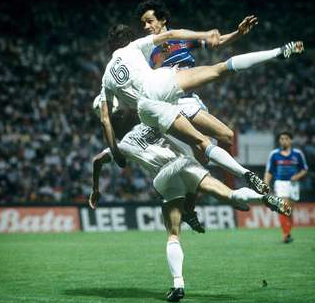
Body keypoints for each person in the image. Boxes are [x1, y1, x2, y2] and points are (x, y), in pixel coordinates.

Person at [90, 119, 291, 302]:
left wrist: (96, 189)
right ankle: (262, 197)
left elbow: (97, 160)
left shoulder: (121, 145)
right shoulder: (150, 122)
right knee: (230, 195)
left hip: (164, 176)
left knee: (173, 234)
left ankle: (178, 284)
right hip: (186, 163)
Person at [99, 24, 304, 198]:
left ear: (111, 46)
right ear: (128, 39)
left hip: (147, 109)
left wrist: (116, 153)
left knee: (200, 144)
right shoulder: (133, 47)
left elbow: (105, 120)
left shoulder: (106, 76)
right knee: (219, 69)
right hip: (159, 84)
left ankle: (239, 177)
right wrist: (204, 34)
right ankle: (277, 52)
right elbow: (171, 34)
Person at [136, 0, 257, 150]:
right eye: (143, 23)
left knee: (204, 153)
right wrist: (160, 61)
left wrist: (238, 33)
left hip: (191, 99)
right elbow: (149, 83)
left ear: (163, 20)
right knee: (227, 137)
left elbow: (216, 42)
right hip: (174, 103)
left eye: (149, 21)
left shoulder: (181, 39)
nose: (146, 26)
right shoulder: (146, 49)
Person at [264, 131, 308, 243]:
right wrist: (265, 185)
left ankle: (288, 233)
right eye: (281, 138)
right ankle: (285, 234)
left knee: (290, 211)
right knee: (283, 208)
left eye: (286, 138)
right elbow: (269, 171)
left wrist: (297, 176)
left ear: (290, 140)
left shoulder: (297, 154)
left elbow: (304, 169)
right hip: (280, 183)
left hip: (293, 184)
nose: (283, 140)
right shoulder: (274, 154)